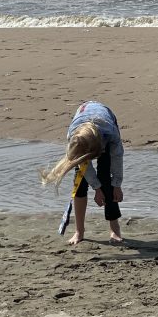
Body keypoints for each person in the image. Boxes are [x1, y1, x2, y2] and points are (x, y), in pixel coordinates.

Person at [40, 100, 125, 245]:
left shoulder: (111, 135)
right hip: (84, 129)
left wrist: (117, 184)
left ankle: (114, 229)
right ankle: (79, 231)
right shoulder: (75, 137)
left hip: (105, 124)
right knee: (79, 185)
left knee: (106, 179)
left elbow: (117, 158)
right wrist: (96, 188)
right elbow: (86, 168)